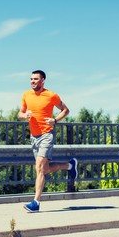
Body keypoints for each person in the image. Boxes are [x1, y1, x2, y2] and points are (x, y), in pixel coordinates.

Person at [18, 70, 77, 212]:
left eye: (36, 79)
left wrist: (55, 120)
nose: (32, 81)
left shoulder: (51, 95)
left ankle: (35, 203)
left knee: (38, 167)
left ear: (42, 80)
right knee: (44, 169)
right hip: (34, 137)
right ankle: (70, 165)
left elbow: (65, 110)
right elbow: (20, 113)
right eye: (31, 79)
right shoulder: (26, 94)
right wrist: (25, 115)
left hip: (46, 135)